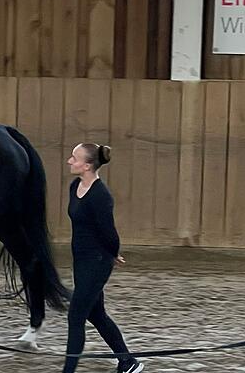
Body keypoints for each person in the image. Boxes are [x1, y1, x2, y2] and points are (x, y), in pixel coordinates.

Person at [63, 143, 144, 373]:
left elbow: (109, 232)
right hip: (80, 260)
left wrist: (113, 253)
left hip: (97, 262)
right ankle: (128, 361)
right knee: (96, 314)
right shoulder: (74, 186)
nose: (69, 161)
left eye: (74, 158)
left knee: (76, 316)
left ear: (87, 166)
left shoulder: (101, 196)